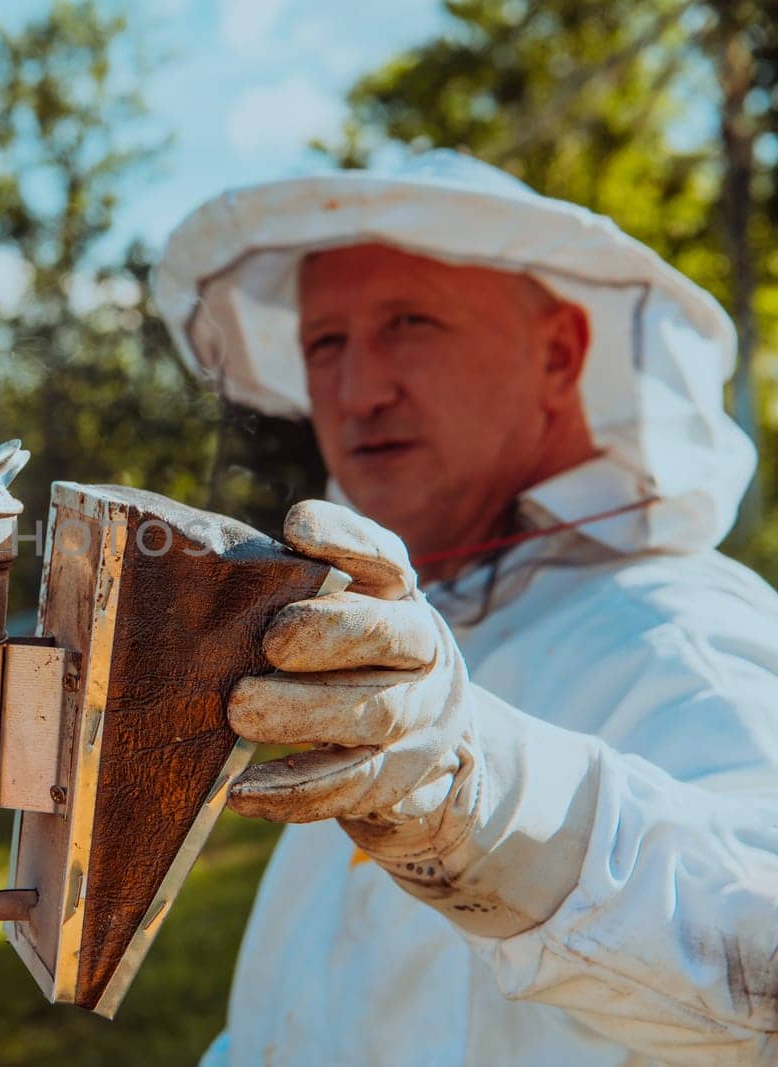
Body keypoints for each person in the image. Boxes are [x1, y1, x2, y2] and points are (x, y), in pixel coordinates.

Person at [152, 151, 778, 1064]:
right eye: (325, 343)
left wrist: (485, 799)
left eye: (411, 322)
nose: (358, 391)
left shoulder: (677, 635)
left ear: (559, 352)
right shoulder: (414, 634)